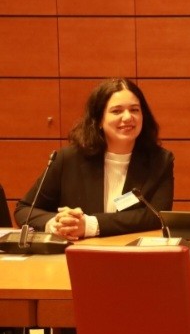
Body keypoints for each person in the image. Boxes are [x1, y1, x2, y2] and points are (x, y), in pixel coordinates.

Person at [14, 78, 173, 239]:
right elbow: (25, 209)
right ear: (98, 120)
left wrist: (90, 225)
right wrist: (55, 223)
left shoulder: (160, 161)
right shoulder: (68, 159)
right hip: (76, 250)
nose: (127, 117)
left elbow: (158, 216)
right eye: (116, 111)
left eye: (134, 110)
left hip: (129, 250)